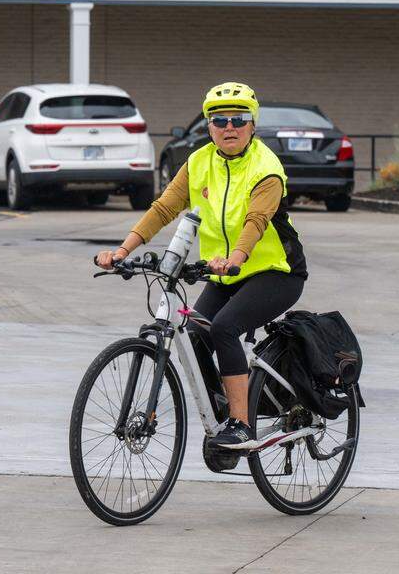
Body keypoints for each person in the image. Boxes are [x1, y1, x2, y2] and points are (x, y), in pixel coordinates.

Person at [96, 82, 307, 449]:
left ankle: (241, 424)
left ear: (252, 125)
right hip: (224, 273)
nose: (229, 127)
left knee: (224, 327)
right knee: (193, 339)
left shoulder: (266, 167)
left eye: (239, 119)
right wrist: (122, 250)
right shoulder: (198, 162)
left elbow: (256, 221)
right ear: (209, 126)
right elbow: (163, 209)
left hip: (277, 271)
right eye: (219, 119)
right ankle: (226, 407)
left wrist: (235, 259)